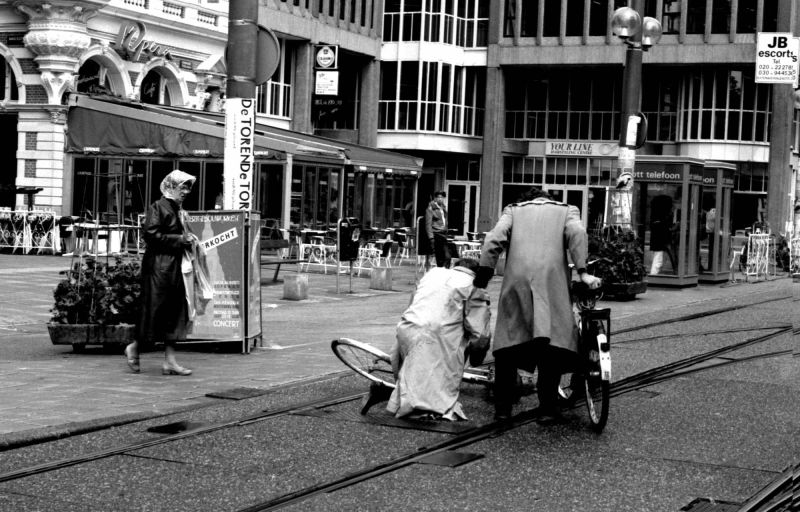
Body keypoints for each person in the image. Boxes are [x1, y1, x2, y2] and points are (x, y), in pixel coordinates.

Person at [474, 187, 601, 424]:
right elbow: (577, 232)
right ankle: (548, 409)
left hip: (517, 282)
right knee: (550, 346)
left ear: (526, 200)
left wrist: (484, 273)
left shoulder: (513, 211)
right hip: (551, 284)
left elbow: (494, 237)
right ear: (548, 199)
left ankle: (502, 410)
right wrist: (582, 270)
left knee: (508, 345)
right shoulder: (566, 211)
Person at [363, 258, 492, 420]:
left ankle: (396, 401)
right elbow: (480, 335)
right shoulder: (473, 286)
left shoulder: (433, 273)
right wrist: (476, 357)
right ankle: (421, 408)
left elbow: (413, 302)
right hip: (434, 335)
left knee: (413, 374)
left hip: (407, 327)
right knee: (435, 385)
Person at [124, 170, 197, 376]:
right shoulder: (160, 207)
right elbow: (151, 234)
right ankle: (137, 348)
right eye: (182, 187)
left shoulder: (175, 209)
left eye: (187, 188)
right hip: (160, 268)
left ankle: (168, 361)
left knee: (173, 311)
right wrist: (181, 240)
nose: (186, 192)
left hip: (172, 267)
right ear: (171, 187)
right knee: (156, 310)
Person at [649, 195, 677, 275]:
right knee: (658, 261)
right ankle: (653, 275)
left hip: (657, 242)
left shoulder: (655, 218)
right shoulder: (662, 220)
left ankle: (654, 274)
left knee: (658, 259)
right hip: (661, 242)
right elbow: (666, 229)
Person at [425, 191, 451, 268]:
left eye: (442, 197)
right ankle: (441, 274)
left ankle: (445, 273)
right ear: (435, 198)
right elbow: (428, 224)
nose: (440, 199)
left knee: (447, 257)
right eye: (438, 197)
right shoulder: (431, 208)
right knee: (441, 258)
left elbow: (445, 220)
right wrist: (431, 237)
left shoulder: (443, 207)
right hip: (436, 234)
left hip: (443, 234)